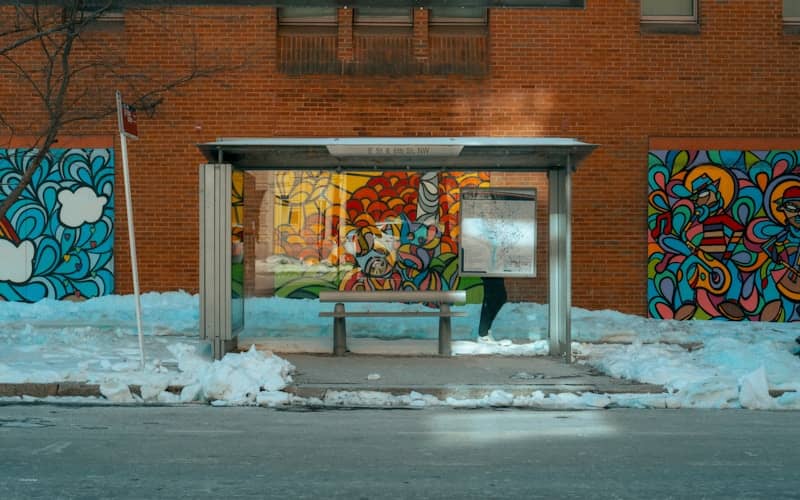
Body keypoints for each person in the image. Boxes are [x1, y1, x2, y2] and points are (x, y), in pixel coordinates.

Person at [478, 276, 507, 342]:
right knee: (490, 300)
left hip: (497, 272)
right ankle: (483, 335)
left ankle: (486, 331)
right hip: (489, 273)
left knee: (502, 297)